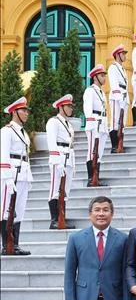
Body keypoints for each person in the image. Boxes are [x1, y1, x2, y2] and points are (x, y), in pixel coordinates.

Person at [0, 97, 33, 255]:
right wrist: (6, 178)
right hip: (11, 175)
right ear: (14, 112)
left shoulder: (24, 133)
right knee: (7, 209)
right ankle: (6, 244)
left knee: (19, 209)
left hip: (23, 174)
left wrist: (29, 176)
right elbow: (4, 156)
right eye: (23, 110)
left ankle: (15, 244)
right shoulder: (6, 131)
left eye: (27, 111)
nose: (26, 113)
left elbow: (25, 156)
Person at [46, 94, 76, 230]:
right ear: (61, 107)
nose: (71, 109)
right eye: (68, 106)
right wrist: (57, 161)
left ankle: (62, 217)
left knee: (65, 190)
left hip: (68, 156)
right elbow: (51, 142)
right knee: (55, 188)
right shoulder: (53, 122)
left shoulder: (68, 125)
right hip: (58, 157)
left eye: (71, 106)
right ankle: (54, 219)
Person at [83, 64, 109, 187]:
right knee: (92, 151)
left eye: (104, 75)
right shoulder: (90, 91)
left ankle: (96, 177)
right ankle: (90, 178)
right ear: (95, 77)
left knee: (99, 152)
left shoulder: (102, 93)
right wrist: (92, 124)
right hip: (94, 124)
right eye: (101, 75)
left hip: (102, 123)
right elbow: (88, 109)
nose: (104, 78)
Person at [108, 44, 129, 153]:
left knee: (122, 122)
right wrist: (119, 98)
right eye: (123, 54)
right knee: (115, 121)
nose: (125, 56)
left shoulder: (123, 69)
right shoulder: (113, 67)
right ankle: (114, 145)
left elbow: (125, 85)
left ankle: (120, 144)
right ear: (117, 55)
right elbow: (114, 84)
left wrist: (126, 100)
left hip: (124, 97)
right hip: (117, 98)